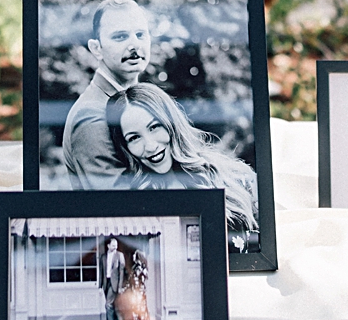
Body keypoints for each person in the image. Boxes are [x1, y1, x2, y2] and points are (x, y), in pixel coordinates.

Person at [105, 83, 260, 252]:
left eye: (154, 126)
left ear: (171, 123)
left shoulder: (237, 177)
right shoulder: (133, 209)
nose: (149, 146)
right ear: (125, 147)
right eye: (134, 138)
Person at [61, 0, 157, 187]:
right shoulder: (92, 116)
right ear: (96, 49)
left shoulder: (140, 101)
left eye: (140, 34)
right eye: (120, 37)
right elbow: (119, 203)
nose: (134, 45)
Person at [100, 236, 125, 320]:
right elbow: (101, 272)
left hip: (115, 284)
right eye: (113, 245)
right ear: (108, 245)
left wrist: (120, 286)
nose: (115, 247)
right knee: (111, 308)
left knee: (108, 305)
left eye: (116, 245)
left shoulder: (120, 255)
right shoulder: (103, 257)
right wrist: (100, 286)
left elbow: (121, 272)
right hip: (106, 283)